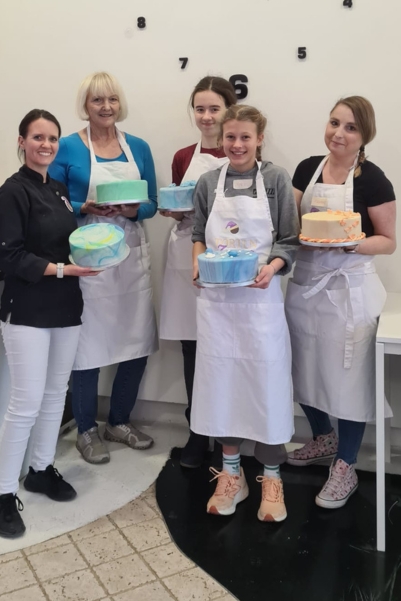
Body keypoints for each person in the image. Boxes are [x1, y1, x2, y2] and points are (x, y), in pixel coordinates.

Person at [285, 96, 396, 508]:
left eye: (350, 127)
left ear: (365, 135)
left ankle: (346, 464)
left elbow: (388, 241)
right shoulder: (307, 169)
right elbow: (290, 224)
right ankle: (323, 437)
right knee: (301, 367)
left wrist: (351, 243)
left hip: (350, 291)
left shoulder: (373, 180)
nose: (339, 133)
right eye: (334, 123)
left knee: (350, 381)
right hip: (306, 285)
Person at [191, 105, 299, 521]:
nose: (237, 145)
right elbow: (199, 234)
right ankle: (231, 474)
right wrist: (197, 264)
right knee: (223, 388)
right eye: (230, 137)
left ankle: (272, 478)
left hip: (259, 303)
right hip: (218, 306)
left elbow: (289, 239)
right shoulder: (208, 182)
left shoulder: (275, 179)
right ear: (222, 139)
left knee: (266, 386)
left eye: (245, 137)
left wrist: (273, 268)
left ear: (259, 139)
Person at [49, 72, 158, 465]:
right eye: (97, 100)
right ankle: (86, 429)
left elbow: (152, 202)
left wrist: (131, 210)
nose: (106, 107)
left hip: (130, 253)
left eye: (112, 99)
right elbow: (51, 201)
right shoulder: (66, 147)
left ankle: (119, 421)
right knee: (88, 347)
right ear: (86, 105)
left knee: (137, 341)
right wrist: (85, 207)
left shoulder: (138, 147)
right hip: (88, 257)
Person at [0, 109, 98, 538]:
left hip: (65, 306)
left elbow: (65, 243)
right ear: (21, 141)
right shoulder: (11, 191)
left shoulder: (57, 189)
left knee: (57, 393)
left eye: (53, 138)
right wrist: (62, 270)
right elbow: (9, 256)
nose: (46, 145)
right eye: (38, 137)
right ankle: (3, 493)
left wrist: (91, 256)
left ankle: (41, 469)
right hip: (27, 309)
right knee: (25, 402)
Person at [159, 76, 237, 469]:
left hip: (225, 258)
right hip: (184, 253)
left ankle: (227, 435)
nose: (206, 117)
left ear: (229, 111)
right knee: (191, 347)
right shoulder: (182, 156)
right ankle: (196, 432)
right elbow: (177, 203)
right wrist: (172, 211)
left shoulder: (240, 152)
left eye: (214, 109)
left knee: (223, 347)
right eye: (200, 109)